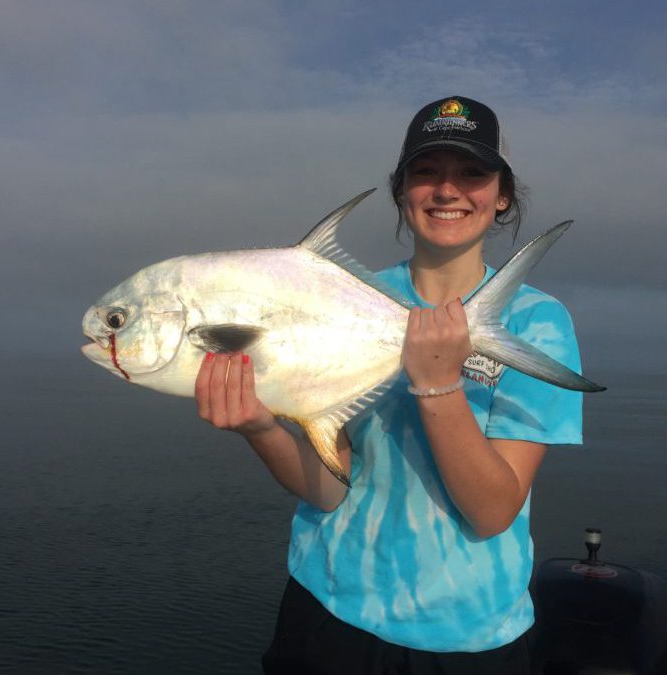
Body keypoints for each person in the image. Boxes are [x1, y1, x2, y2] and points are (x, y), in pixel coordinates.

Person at [194, 96, 584, 674]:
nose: (447, 190)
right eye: (426, 172)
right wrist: (259, 425)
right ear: (402, 191)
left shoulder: (536, 323)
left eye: (472, 173)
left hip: (467, 633)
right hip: (326, 609)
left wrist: (437, 386)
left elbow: (493, 512)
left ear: (501, 195)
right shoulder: (336, 301)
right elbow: (331, 491)